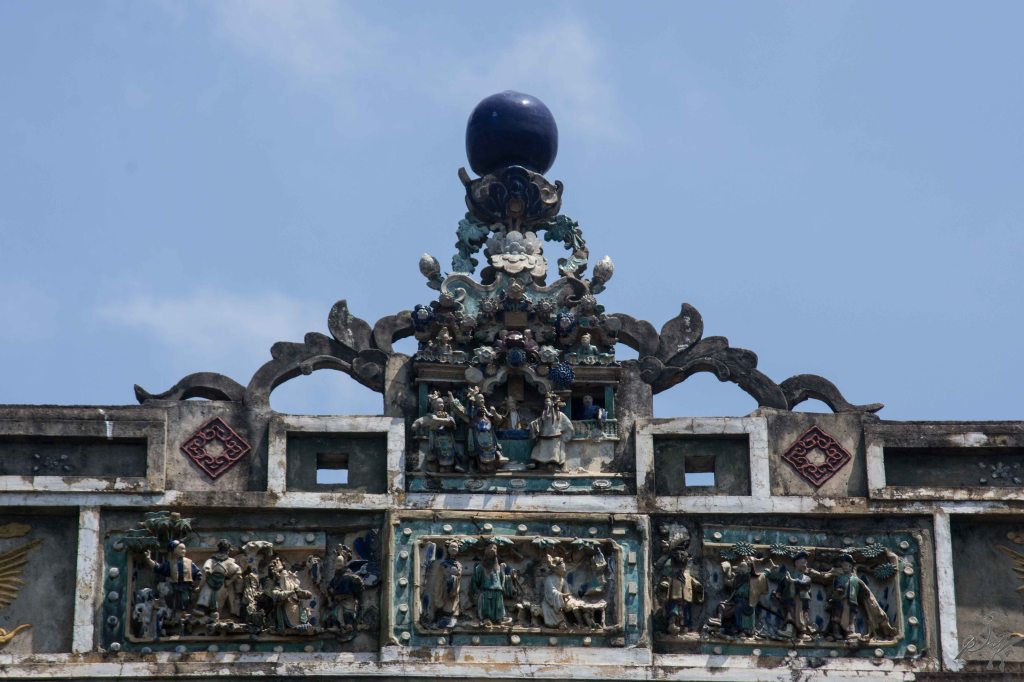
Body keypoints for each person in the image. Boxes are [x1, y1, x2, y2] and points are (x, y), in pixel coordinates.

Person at [810, 553, 896, 641]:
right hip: (839, 601)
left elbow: (864, 589)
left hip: (851, 602)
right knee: (836, 618)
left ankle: (850, 633)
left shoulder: (855, 579)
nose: (845, 567)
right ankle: (836, 633)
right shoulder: (838, 577)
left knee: (851, 619)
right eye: (843, 565)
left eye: (847, 565)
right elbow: (833, 586)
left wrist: (867, 594)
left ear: (851, 567)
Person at [145, 540, 202, 614]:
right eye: (181, 548)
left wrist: (197, 584)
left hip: (186, 587)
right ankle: (174, 613)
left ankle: (182, 613)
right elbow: (158, 568)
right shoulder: (170, 563)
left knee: (185, 600)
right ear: (174, 550)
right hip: (174, 586)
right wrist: (149, 559)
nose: (183, 550)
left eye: (184, 549)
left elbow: (198, 574)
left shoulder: (189, 562)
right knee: (174, 601)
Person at [658, 546, 703, 634]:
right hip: (675, 597)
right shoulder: (670, 573)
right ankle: (672, 624)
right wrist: (664, 585)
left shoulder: (687, 574)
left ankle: (685, 627)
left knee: (686, 614)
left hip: (686, 598)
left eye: (682, 555)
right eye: (678, 554)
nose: (680, 556)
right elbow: (666, 580)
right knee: (674, 611)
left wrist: (698, 585)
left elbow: (693, 581)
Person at [412, 392, 461, 473]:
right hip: (436, 439)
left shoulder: (447, 415)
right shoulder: (430, 416)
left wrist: (439, 420)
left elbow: (451, 422)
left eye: (442, 403)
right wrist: (416, 424)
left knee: (451, 453)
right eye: (439, 403)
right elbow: (422, 420)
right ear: (433, 405)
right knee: (436, 453)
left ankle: (456, 465)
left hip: (448, 439)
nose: (441, 405)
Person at [196, 539, 243, 618]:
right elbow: (207, 566)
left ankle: (214, 611)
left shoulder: (229, 562)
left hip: (222, 582)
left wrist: (230, 581)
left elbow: (238, 572)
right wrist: (208, 570)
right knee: (205, 593)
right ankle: (201, 608)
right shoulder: (212, 560)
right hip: (210, 580)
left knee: (218, 597)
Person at [470, 542, 514, 625]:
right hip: (485, 591)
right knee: (486, 608)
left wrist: (511, 577)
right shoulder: (480, 567)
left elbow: (503, 579)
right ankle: (485, 619)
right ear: (485, 550)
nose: (492, 550)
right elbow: (475, 581)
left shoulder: (499, 567)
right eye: (490, 548)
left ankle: (499, 619)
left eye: (494, 548)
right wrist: (476, 594)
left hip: (498, 591)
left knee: (498, 608)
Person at [529, 393, 574, 470]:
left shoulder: (560, 415)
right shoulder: (544, 415)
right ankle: (536, 463)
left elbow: (569, 426)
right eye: (545, 402)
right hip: (543, 437)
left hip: (554, 439)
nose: (546, 403)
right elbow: (539, 422)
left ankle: (554, 464)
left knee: (554, 454)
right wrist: (534, 424)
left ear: (553, 403)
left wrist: (565, 437)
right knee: (538, 451)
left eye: (548, 401)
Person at [424, 540, 463, 628]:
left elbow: (459, 579)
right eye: (452, 547)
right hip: (444, 589)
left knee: (452, 606)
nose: (454, 549)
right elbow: (439, 580)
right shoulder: (443, 564)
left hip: (454, 590)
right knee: (443, 606)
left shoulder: (459, 565)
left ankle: (452, 619)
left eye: (456, 547)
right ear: (447, 549)